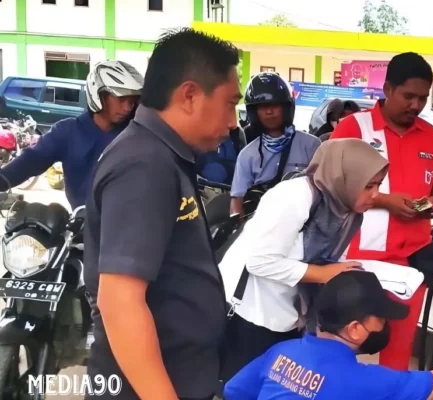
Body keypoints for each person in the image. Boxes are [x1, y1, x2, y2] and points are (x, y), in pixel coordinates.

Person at [83, 28, 241, 400]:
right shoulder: (144, 163)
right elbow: (120, 301)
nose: (234, 121)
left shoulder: (164, 155)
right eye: (230, 103)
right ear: (189, 95)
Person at [218, 138, 389, 380]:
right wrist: (325, 273)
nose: (375, 195)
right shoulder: (295, 197)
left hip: (292, 311)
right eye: (369, 186)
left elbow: (330, 259)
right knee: (248, 384)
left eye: (378, 185)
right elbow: (259, 261)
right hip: (255, 310)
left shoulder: (344, 209)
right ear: (344, 177)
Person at [329, 52, 433, 370]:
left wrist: (430, 205)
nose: (415, 105)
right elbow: (329, 184)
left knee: (399, 349)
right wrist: (386, 201)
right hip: (355, 259)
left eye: (423, 98)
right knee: (338, 341)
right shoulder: (353, 128)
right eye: (408, 96)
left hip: (410, 259)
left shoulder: (430, 136)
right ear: (387, 89)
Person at [224, 270, 433, 400]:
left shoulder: (281, 352)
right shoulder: (362, 380)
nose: (384, 327)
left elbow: (235, 392)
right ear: (354, 328)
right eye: (380, 319)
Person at [0, 60, 143, 208]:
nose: (127, 107)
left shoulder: (135, 135)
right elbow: (31, 160)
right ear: (99, 95)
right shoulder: (68, 131)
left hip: (128, 223)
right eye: (121, 99)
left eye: (132, 101)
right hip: (82, 225)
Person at [230, 72, 321, 215]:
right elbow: (237, 200)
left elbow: (325, 192)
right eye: (262, 106)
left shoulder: (311, 146)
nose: (269, 111)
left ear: (286, 107)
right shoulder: (247, 155)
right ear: (254, 111)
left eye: (275, 105)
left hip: (304, 225)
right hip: (262, 227)